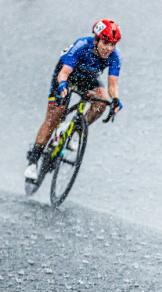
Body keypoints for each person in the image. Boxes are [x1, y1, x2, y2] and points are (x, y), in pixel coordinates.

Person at [24, 19, 124, 180]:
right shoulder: (82, 45)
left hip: (87, 79)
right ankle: (33, 161)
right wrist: (63, 85)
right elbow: (64, 73)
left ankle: (75, 131)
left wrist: (116, 100)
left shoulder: (115, 56)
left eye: (113, 44)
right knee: (55, 116)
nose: (109, 48)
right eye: (106, 42)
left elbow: (112, 85)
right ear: (97, 39)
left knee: (102, 102)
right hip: (66, 77)